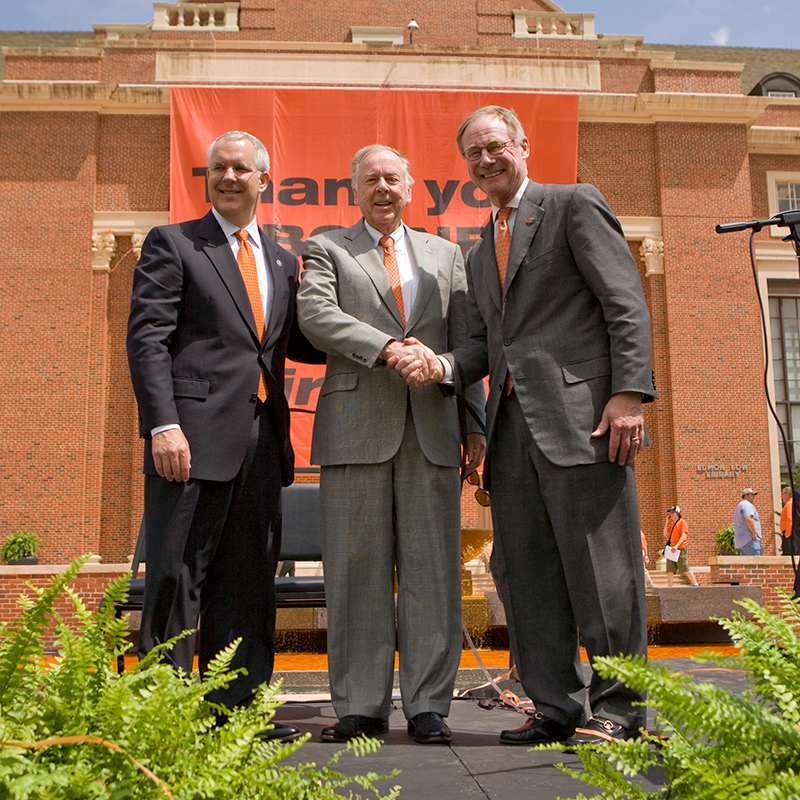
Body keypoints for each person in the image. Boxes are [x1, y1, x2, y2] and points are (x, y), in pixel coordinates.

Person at [392, 105, 657, 745]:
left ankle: (621, 711)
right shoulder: (481, 249)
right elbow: (485, 345)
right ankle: (555, 704)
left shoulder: (572, 205)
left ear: (522, 146)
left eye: (495, 147)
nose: (486, 161)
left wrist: (627, 395)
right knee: (524, 575)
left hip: (585, 424)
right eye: (474, 154)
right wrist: (441, 364)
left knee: (604, 572)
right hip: (512, 437)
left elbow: (624, 302)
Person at [126, 130, 321, 741]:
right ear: (207, 177)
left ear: (264, 179)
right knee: (176, 578)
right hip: (189, 442)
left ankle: (236, 713)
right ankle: (164, 717)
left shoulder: (283, 260)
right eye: (218, 168)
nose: (229, 177)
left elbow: (303, 341)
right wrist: (164, 425)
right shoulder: (175, 243)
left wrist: (388, 337)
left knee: (247, 580)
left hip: (262, 443)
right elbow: (148, 340)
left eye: (241, 168)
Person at [297, 144, 486, 745]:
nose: (382, 188)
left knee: (434, 572)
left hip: (433, 430)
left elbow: (467, 341)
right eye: (370, 180)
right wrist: (387, 348)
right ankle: (360, 705)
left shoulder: (447, 255)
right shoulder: (327, 248)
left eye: (391, 179)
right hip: (354, 431)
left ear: (410, 188)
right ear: (355, 191)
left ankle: (429, 705)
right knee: (356, 572)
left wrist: (475, 423)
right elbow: (314, 315)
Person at [662, 506, 699, 587]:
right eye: (670, 513)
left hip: (680, 548)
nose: (671, 514)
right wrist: (666, 523)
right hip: (672, 549)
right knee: (670, 569)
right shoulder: (672, 524)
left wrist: (677, 545)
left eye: (672, 512)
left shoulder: (683, 522)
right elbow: (665, 534)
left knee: (684, 567)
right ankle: (669, 588)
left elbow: (684, 535)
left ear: (677, 513)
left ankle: (695, 584)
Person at [734, 488, 762, 556]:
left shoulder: (739, 505)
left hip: (741, 541)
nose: (754, 497)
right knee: (756, 561)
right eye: (752, 495)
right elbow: (749, 518)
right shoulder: (747, 505)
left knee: (746, 562)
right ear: (746, 496)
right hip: (750, 539)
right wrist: (754, 533)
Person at [780, 484, 794, 556]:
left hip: (789, 534)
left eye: (782, 494)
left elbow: (790, 519)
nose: (781, 496)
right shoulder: (789, 503)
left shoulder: (789, 504)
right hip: (789, 533)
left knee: (788, 554)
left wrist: (787, 535)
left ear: (787, 494)